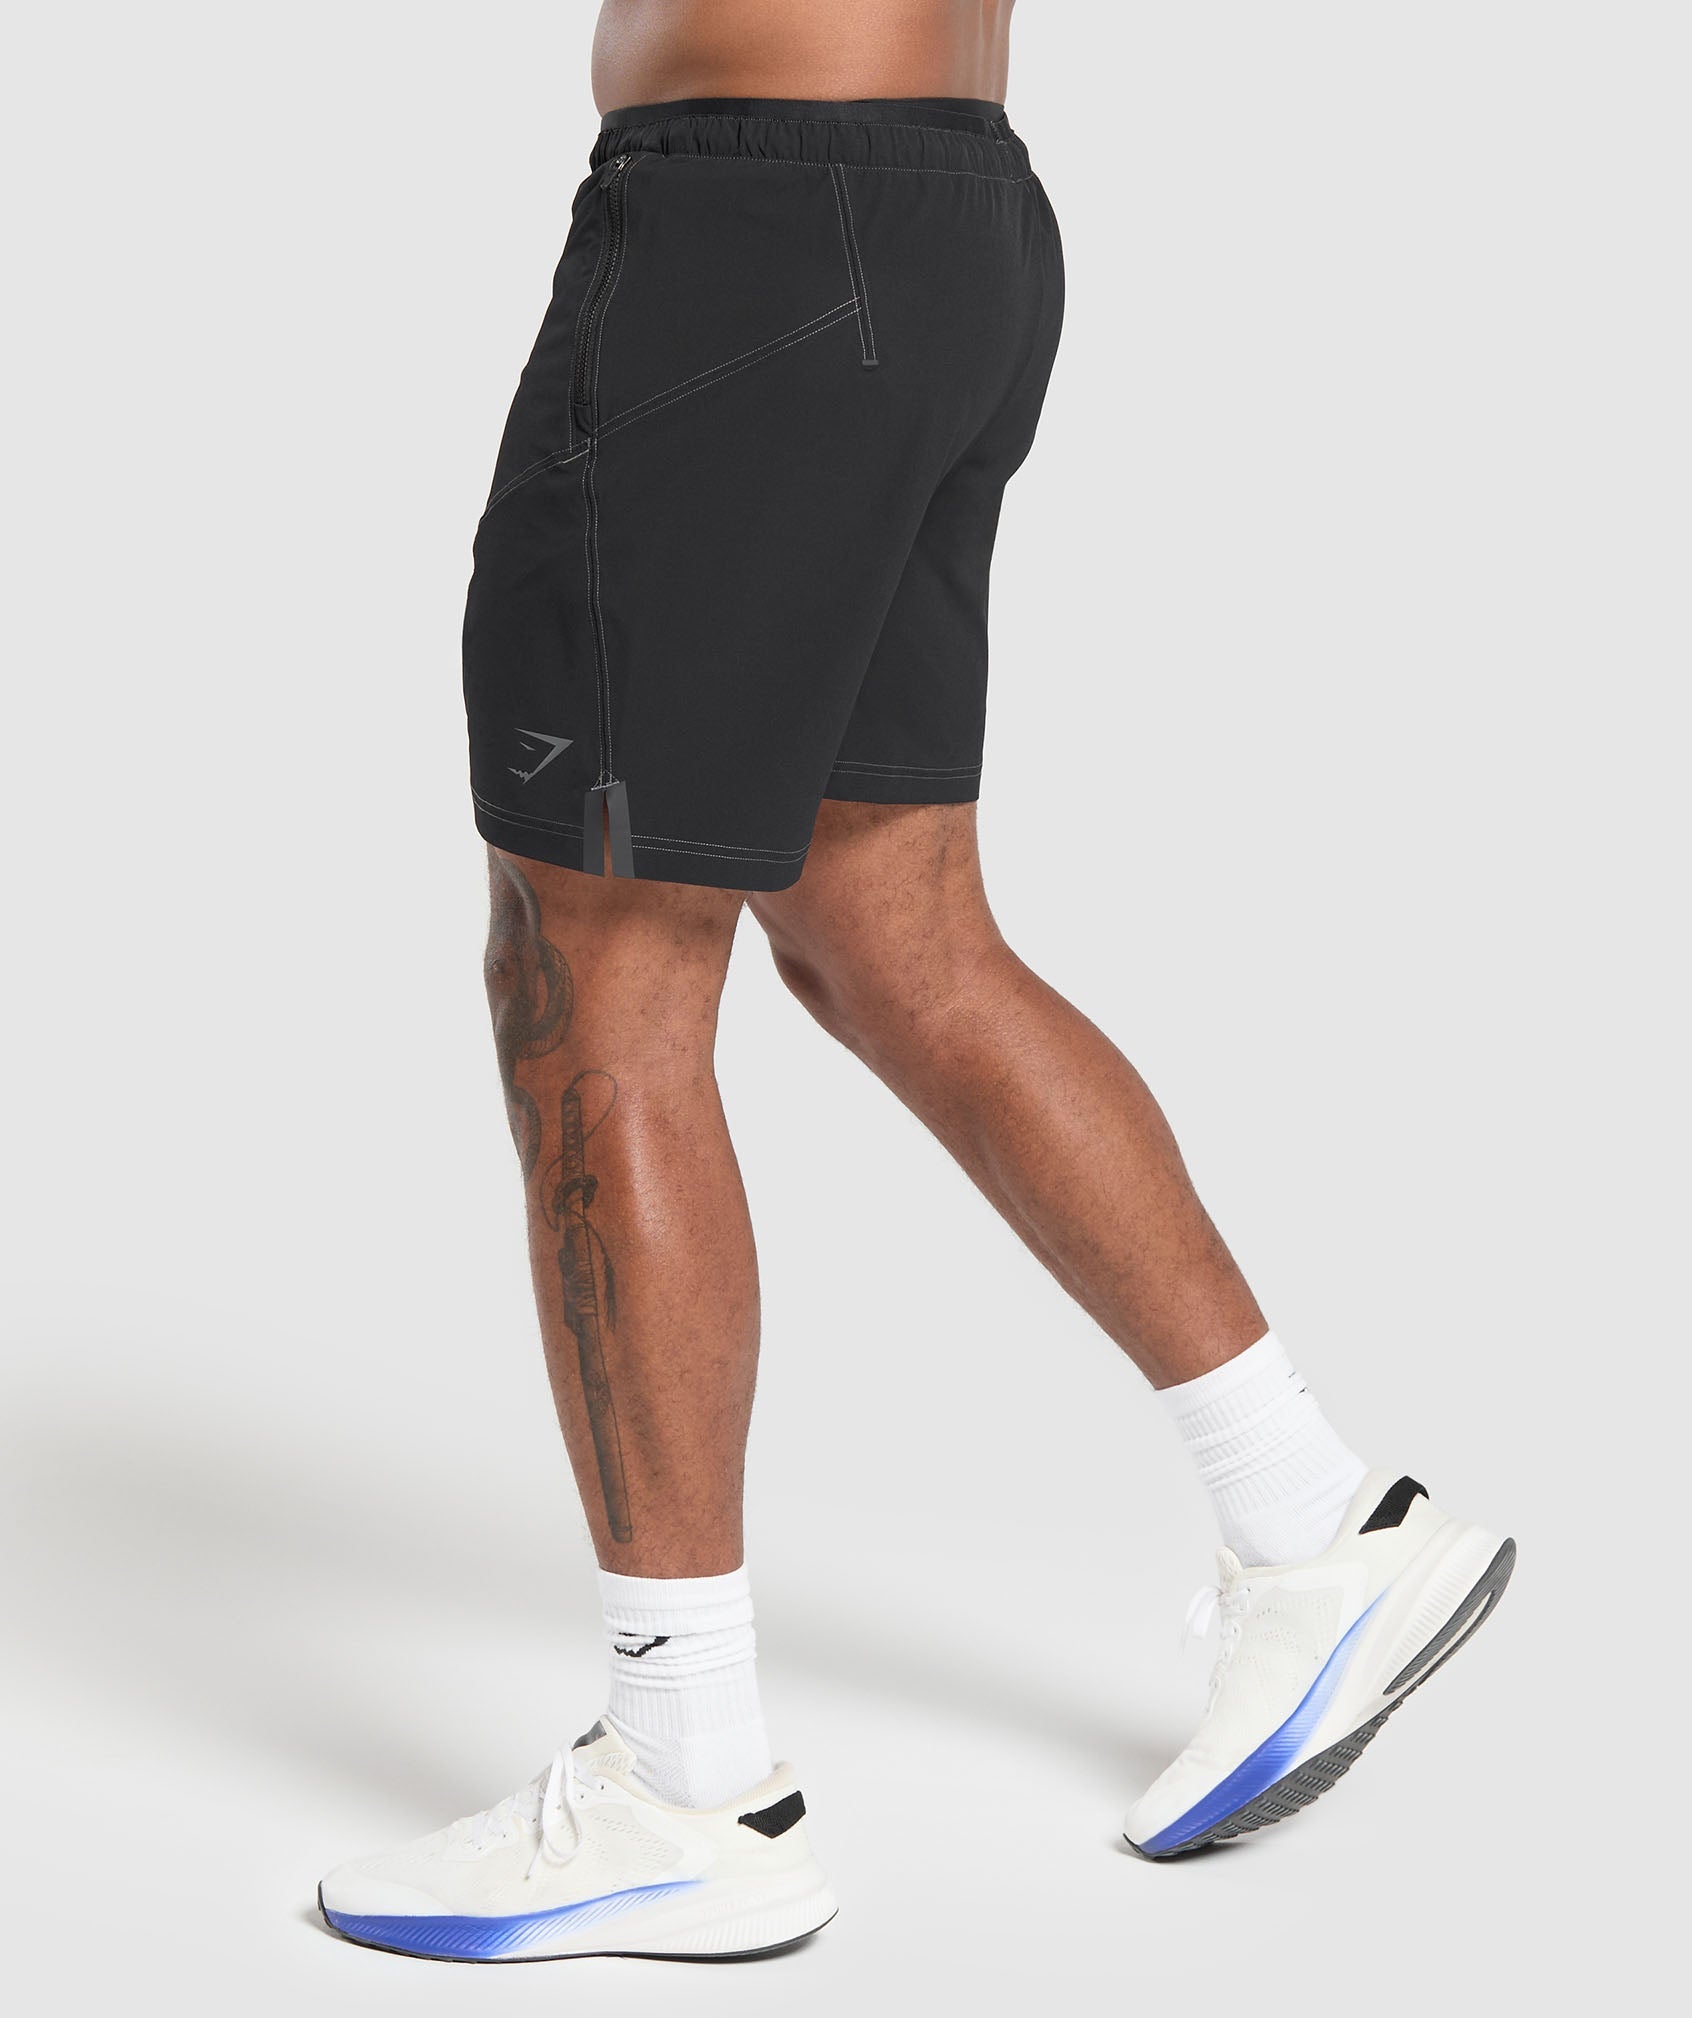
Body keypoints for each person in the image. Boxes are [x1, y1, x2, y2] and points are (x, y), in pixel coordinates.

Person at [318, 0, 1514, 1963]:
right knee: (889, 921)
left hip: (749, 233)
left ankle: (685, 1779)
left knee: (591, 969)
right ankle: (1312, 1517)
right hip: (943, 209)